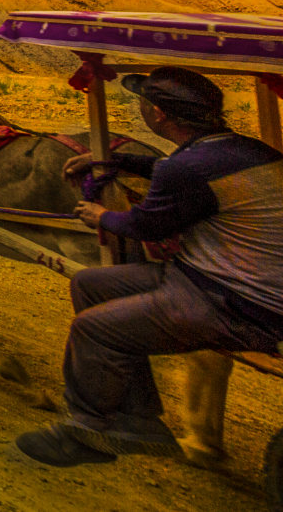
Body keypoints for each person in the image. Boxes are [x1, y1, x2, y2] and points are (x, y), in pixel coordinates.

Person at [15, 67, 283, 467]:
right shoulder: (242, 149)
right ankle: (137, 419)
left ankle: (90, 427)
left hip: (237, 302)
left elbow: (143, 226)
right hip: (217, 279)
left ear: (157, 113)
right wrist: (115, 160)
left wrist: (101, 216)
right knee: (90, 284)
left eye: (142, 103)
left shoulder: (188, 166)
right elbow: (178, 173)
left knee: (94, 328)